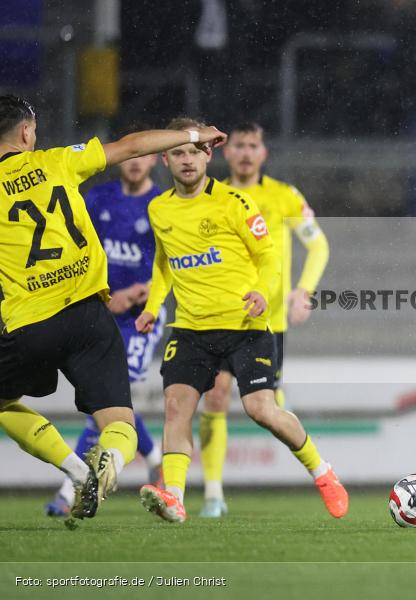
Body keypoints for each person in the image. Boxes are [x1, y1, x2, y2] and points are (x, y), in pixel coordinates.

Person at [0, 95, 226, 527]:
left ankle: (74, 470)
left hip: (31, 321)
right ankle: (113, 464)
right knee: (119, 419)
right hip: (90, 315)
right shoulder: (57, 162)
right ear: (26, 132)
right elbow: (133, 145)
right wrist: (193, 135)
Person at [136, 118, 348, 523]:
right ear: (164, 158)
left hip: (246, 326)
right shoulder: (158, 207)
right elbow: (164, 262)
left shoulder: (237, 202)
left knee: (262, 411)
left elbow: (270, 255)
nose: (186, 160)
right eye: (178, 152)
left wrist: (268, 293)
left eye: (194, 152)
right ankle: (178, 496)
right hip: (192, 328)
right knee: (177, 406)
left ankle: (322, 472)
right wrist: (153, 306)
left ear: (209, 155)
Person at [197, 121, 334, 518]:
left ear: (263, 152)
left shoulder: (283, 196)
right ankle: (213, 493)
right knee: (217, 394)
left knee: (263, 408)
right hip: (221, 316)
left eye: (252, 145)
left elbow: (319, 244)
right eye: (238, 145)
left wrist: (303, 290)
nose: (244, 152)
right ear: (226, 151)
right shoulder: (213, 196)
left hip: (268, 323)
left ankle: (285, 416)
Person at [43, 125, 167, 517]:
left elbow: (174, 263)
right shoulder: (97, 199)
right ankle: (155, 458)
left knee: (110, 397)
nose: (135, 162)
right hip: (100, 311)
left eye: (142, 155)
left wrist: (135, 294)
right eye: (129, 156)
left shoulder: (161, 206)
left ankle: (69, 490)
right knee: (115, 400)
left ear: (152, 159)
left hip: (142, 316)